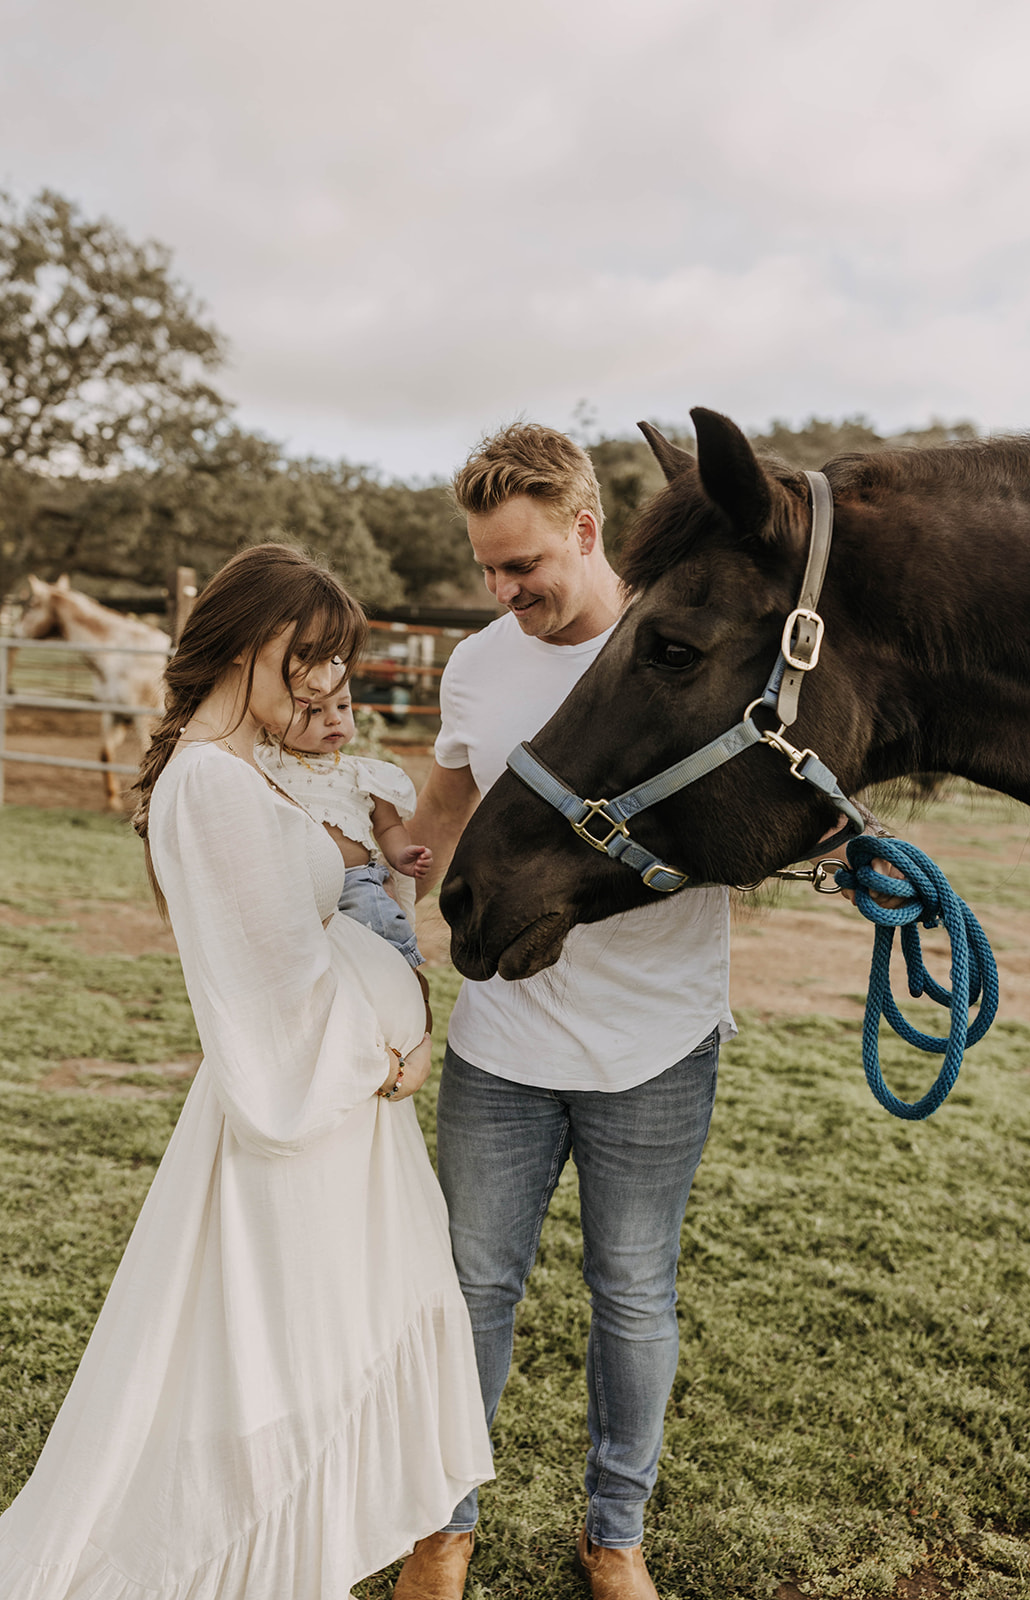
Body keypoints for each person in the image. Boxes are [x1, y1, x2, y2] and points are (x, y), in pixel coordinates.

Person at [0, 543, 492, 1599]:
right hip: (301, 1123)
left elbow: (327, 927)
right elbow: (275, 990)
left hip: (337, 1122)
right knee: (271, 1367)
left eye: (333, 658)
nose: (322, 681)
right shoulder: (213, 788)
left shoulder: (245, 771)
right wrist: (395, 1047)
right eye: (305, 654)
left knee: (300, 1362)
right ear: (240, 643)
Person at [395, 424, 729, 1600]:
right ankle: (442, 1523)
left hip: (658, 1039)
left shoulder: (690, 649)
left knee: (632, 1291)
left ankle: (614, 1531)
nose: (502, 589)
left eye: (522, 563)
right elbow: (439, 800)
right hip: (503, 1040)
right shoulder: (480, 663)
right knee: (472, 1286)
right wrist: (374, 893)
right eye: (486, 567)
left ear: (586, 531)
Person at [256, 678, 432, 971]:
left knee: (379, 922)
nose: (335, 718)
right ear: (275, 721)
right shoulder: (264, 765)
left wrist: (401, 854)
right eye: (314, 711)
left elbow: (387, 827)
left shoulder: (363, 773)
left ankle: (400, 979)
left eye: (343, 706)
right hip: (289, 884)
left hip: (353, 881)